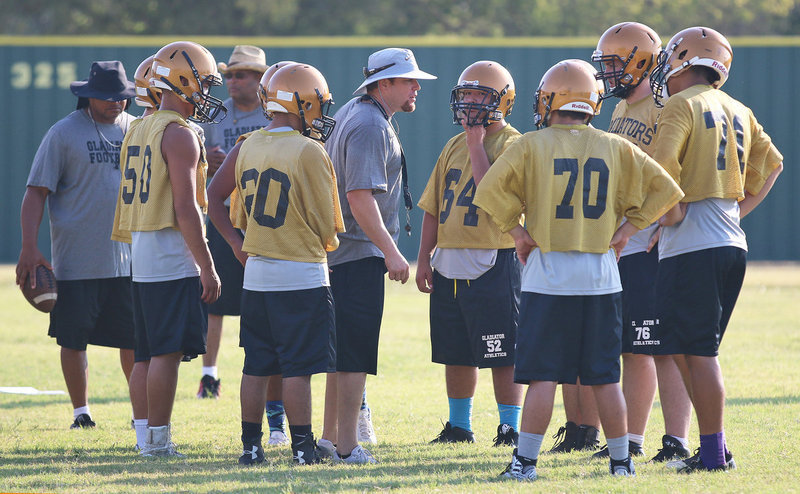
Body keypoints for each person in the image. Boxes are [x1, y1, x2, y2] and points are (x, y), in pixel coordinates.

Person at [474, 59, 684, 480]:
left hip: (547, 275)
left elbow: (489, 192)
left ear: (550, 101)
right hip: (601, 276)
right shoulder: (615, 145)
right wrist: (627, 230)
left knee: (542, 378)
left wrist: (517, 234)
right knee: (605, 377)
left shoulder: (529, 145)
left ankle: (525, 463)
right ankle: (622, 463)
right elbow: (668, 191)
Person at [648, 26, 783, 473]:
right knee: (689, 348)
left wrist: (666, 216)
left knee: (699, 352)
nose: (664, 68)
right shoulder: (738, 108)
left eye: (671, 58)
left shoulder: (682, 106)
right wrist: (736, 210)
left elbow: (661, 170)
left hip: (693, 246)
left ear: (685, 60)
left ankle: (711, 453)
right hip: (727, 240)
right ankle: (714, 447)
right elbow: (773, 164)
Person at [207, 62, 342, 466]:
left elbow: (213, 198)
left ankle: (251, 447)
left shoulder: (247, 143)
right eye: (316, 103)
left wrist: (235, 243)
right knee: (298, 368)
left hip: (257, 273)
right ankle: (302, 447)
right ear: (301, 102)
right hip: (300, 271)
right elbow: (327, 224)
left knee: (257, 365)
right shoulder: (309, 150)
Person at [321, 47, 436, 463]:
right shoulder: (370, 123)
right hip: (357, 252)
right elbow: (359, 197)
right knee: (354, 355)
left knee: (341, 354)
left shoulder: (356, 110)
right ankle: (348, 446)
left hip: (341, 251)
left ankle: (330, 438)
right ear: (383, 83)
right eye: (408, 80)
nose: (416, 87)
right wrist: (391, 252)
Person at [588, 21, 693, 462]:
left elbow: (675, 175)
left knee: (662, 347)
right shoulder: (619, 112)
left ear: (640, 60)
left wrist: (664, 222)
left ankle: (676, 439)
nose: (609, 73)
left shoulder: (662, 106)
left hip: (651, 239)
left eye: (615, 63)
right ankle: (631, 438)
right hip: (627, 241)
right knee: (634, 347)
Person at [114, 40, 224, 457]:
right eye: (204, 82)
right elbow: (186, 207)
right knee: (165, 353)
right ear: (182, 79)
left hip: (142, 253)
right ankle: (157, 442)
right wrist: (207, 265)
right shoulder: (178, 133)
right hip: (168, 253)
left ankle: (145, 436)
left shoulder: (140, 125)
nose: (208, 92)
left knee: (146, 353)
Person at [17, 60, 137, 430]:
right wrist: (29, 247)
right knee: (73, 337)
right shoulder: (63, 133)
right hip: (77, 259)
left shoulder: (137, 130)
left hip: (131, 259)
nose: (115, 103)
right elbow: (36, 192)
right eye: (106, 97)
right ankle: (80, 412)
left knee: (133, 340)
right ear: (88, 96)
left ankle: (141, 414)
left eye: (121, 97)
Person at [416, 60, 523, 447]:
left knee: (501, 351)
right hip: (449, 260)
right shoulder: (452, 145)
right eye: (466, 95)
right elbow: (432, 207)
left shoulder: (512, 143)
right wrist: (425, 256)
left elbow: (491, 192)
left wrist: (477, 144)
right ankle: (459, 425)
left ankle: (509, 426)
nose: (471, 102)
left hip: (494, 257)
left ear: (502, 101)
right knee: (455, 350)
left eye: (480, 95)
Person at [197, 44, 291, 446]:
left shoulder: (274, 114)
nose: (234, 81)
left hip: (267, 224)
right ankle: (210, 371)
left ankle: (274, 418)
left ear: (260, 79)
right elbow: (194, 161)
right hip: (227, 222)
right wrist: (208, 158)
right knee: (216, 301)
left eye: (243, 75)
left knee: (271, 322)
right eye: (230, 75)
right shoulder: (216, 116)